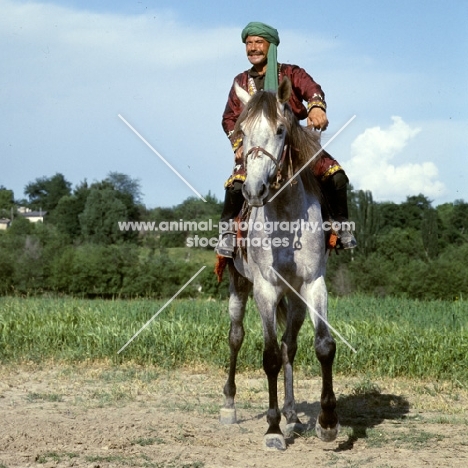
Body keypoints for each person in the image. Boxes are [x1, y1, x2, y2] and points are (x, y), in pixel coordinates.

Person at [216, 21, 356, 257]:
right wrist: (238, 144)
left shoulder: (291, 73)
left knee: (336, 176)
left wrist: (315, 108)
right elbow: (229, 118)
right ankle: (228, 233)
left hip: (295, 142)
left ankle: (339, 226)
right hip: (258, 146)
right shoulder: (240, 82)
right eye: (248, 43)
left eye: (258, 42)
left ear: (271, 46)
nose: (253, 48)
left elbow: (312, 90)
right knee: (238, 183)